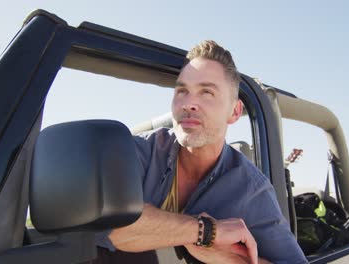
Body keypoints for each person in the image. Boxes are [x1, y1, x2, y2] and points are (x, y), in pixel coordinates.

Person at [97, 40, 307, 264]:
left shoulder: (252, 190)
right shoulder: (141, 152)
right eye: (182, 91)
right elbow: (110, 226)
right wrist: (205, 231)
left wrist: (228, 259)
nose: (188, 103)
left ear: (234, 112)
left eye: (206, 92)